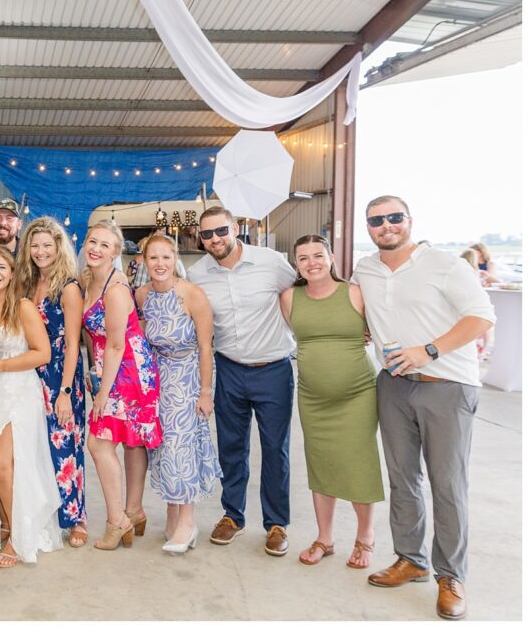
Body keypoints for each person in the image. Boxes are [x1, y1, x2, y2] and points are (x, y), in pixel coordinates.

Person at [354, 196, 495, 621]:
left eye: (394, 218)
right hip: (394, 386)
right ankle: (410, 559)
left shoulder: (446, 264)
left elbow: (481, 316)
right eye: (377, 220)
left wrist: (429, 350)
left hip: (447, 386)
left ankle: (451, 576)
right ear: (368, 227)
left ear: (409, 221)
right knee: (403, 479)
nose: (386, 226)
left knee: (448, 485)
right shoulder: (367, 268)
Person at [186, 206, 296, 556]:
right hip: (229, 367)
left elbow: (302, 295)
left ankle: (276, 523)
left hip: (274, 368)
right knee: (231, 448)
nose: (215, 239)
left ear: (235, 228)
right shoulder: (197, 274)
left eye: (221, 231)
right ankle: (232, 515)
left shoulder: (272, 262)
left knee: (275, 448)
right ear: (200, 239)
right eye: (207, 234)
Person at [279, 235, 383, 569]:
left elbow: (380, 329)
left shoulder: (354, 293)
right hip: (312, 397)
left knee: (358, 462)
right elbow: (295, 336)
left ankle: (365, 537)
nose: (312, 263)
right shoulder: (290, 297)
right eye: (304, 257)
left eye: (318, 255)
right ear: (296, 264)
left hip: (357, 395)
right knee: (321, 463)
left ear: (332, 257)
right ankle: (325, 537)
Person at [0, 245, 62, 568]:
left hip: (16, 392)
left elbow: (42, 353)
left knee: (2, 462)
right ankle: (4, 522)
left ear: (12, 272)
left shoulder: (23, 308)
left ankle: (18, 536)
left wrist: (3, 366)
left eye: (1, 267)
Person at [136, 233, 220, 555]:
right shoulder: (142, 296)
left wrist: (206, 392)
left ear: (175, 260)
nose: (160, 264)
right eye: (153, 258)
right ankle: (173, 513)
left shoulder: (192, 295)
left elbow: (205, 346)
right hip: (158, 382)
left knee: (182, 449)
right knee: (163, 448)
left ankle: (188, 521)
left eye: (165, 257)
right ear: (145, 261)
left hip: (187, 380)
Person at [81, 220, 162, 551]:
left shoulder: (114, 289)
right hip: (110, 366)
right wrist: (93, 372)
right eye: (92, 242)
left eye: (105, 245)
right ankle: (134, 510)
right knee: (129, 440)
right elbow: (92, 337)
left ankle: (118, 521)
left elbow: (115, 344)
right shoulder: (90, 280)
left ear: (116, 252)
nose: (96, 249)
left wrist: (102, 393)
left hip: (128, 370)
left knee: (99, 444)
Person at [15, 217, 88, 547]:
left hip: (61, 373)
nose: (41, 251)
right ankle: (45, 513)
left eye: (47, 245)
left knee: (66, 447)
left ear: (59, 247)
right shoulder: (28, 284)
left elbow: (73, 343)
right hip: (33, 371)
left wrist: (66, 392)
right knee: (39, 446)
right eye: (35, 245)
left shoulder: (68, 287)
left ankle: (76, 518)